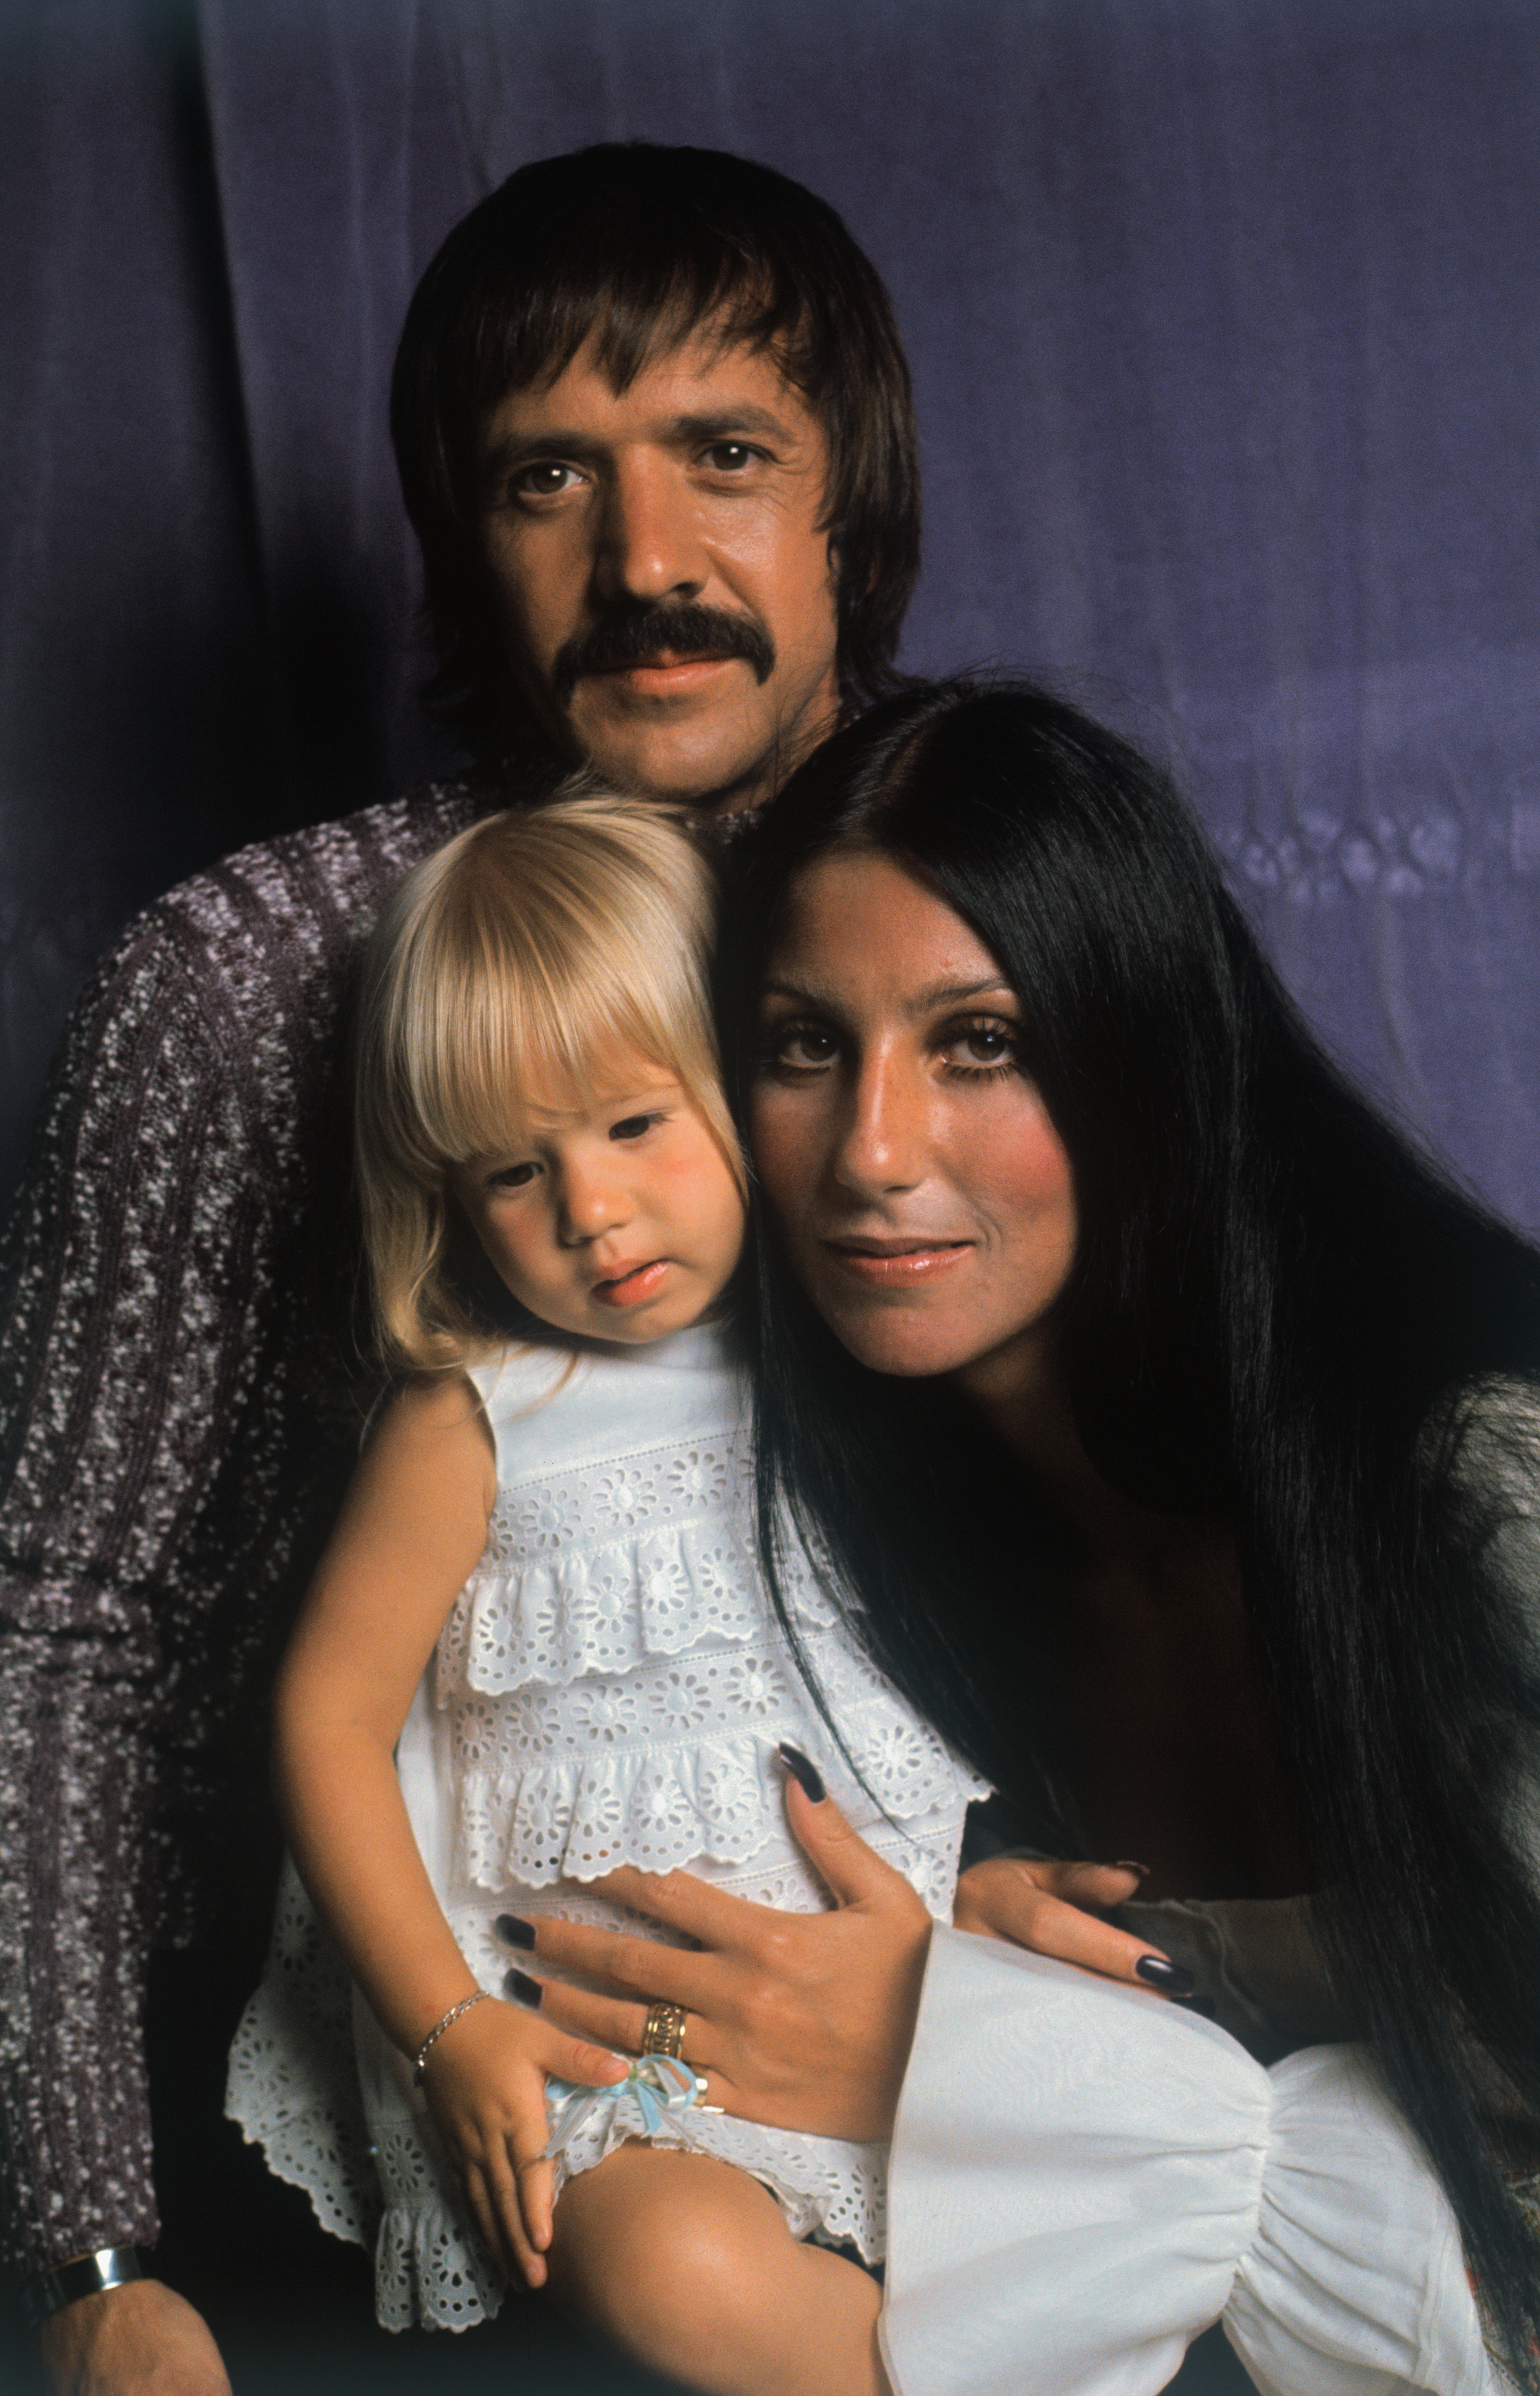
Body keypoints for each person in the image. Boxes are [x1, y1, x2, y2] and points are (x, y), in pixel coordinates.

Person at [0, 142, 919, 2396]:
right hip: (455, 2054)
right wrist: (89, 2244)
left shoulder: (980, 911)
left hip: (915, 1982)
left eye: (720, 455)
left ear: (845, 507)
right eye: (543, 480)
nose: (643, 560)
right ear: (458, 544)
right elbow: (61, 1620)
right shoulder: (248, 980)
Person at [497, 682, 1540, 2392]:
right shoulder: (813, 1526)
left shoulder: (1471, 1462)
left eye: (979, 1042)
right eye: (801, 1047)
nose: (872, 1152)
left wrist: (979, 2039)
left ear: (1146, 1058)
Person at [224, 792, 984, 2396]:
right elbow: (322, 1720)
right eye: (513, 1169)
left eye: (635, 1124)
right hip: (604, 2062)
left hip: (895, 2007)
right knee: (673, 2276)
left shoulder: (848, 1346)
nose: (589, 1209)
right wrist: (449, 2030)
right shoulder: (476, 1413)